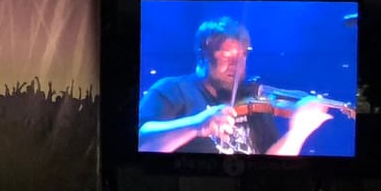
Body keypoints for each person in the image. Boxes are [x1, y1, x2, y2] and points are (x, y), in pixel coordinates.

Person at [137, 16, 341, 155]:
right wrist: (197, 124)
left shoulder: (254, 103)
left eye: (242, 56)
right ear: (202, 57)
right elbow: (141, 141)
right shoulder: (172, 90)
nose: (236, 65)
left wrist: (299, 131)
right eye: (227, 56)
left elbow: (272, 167)